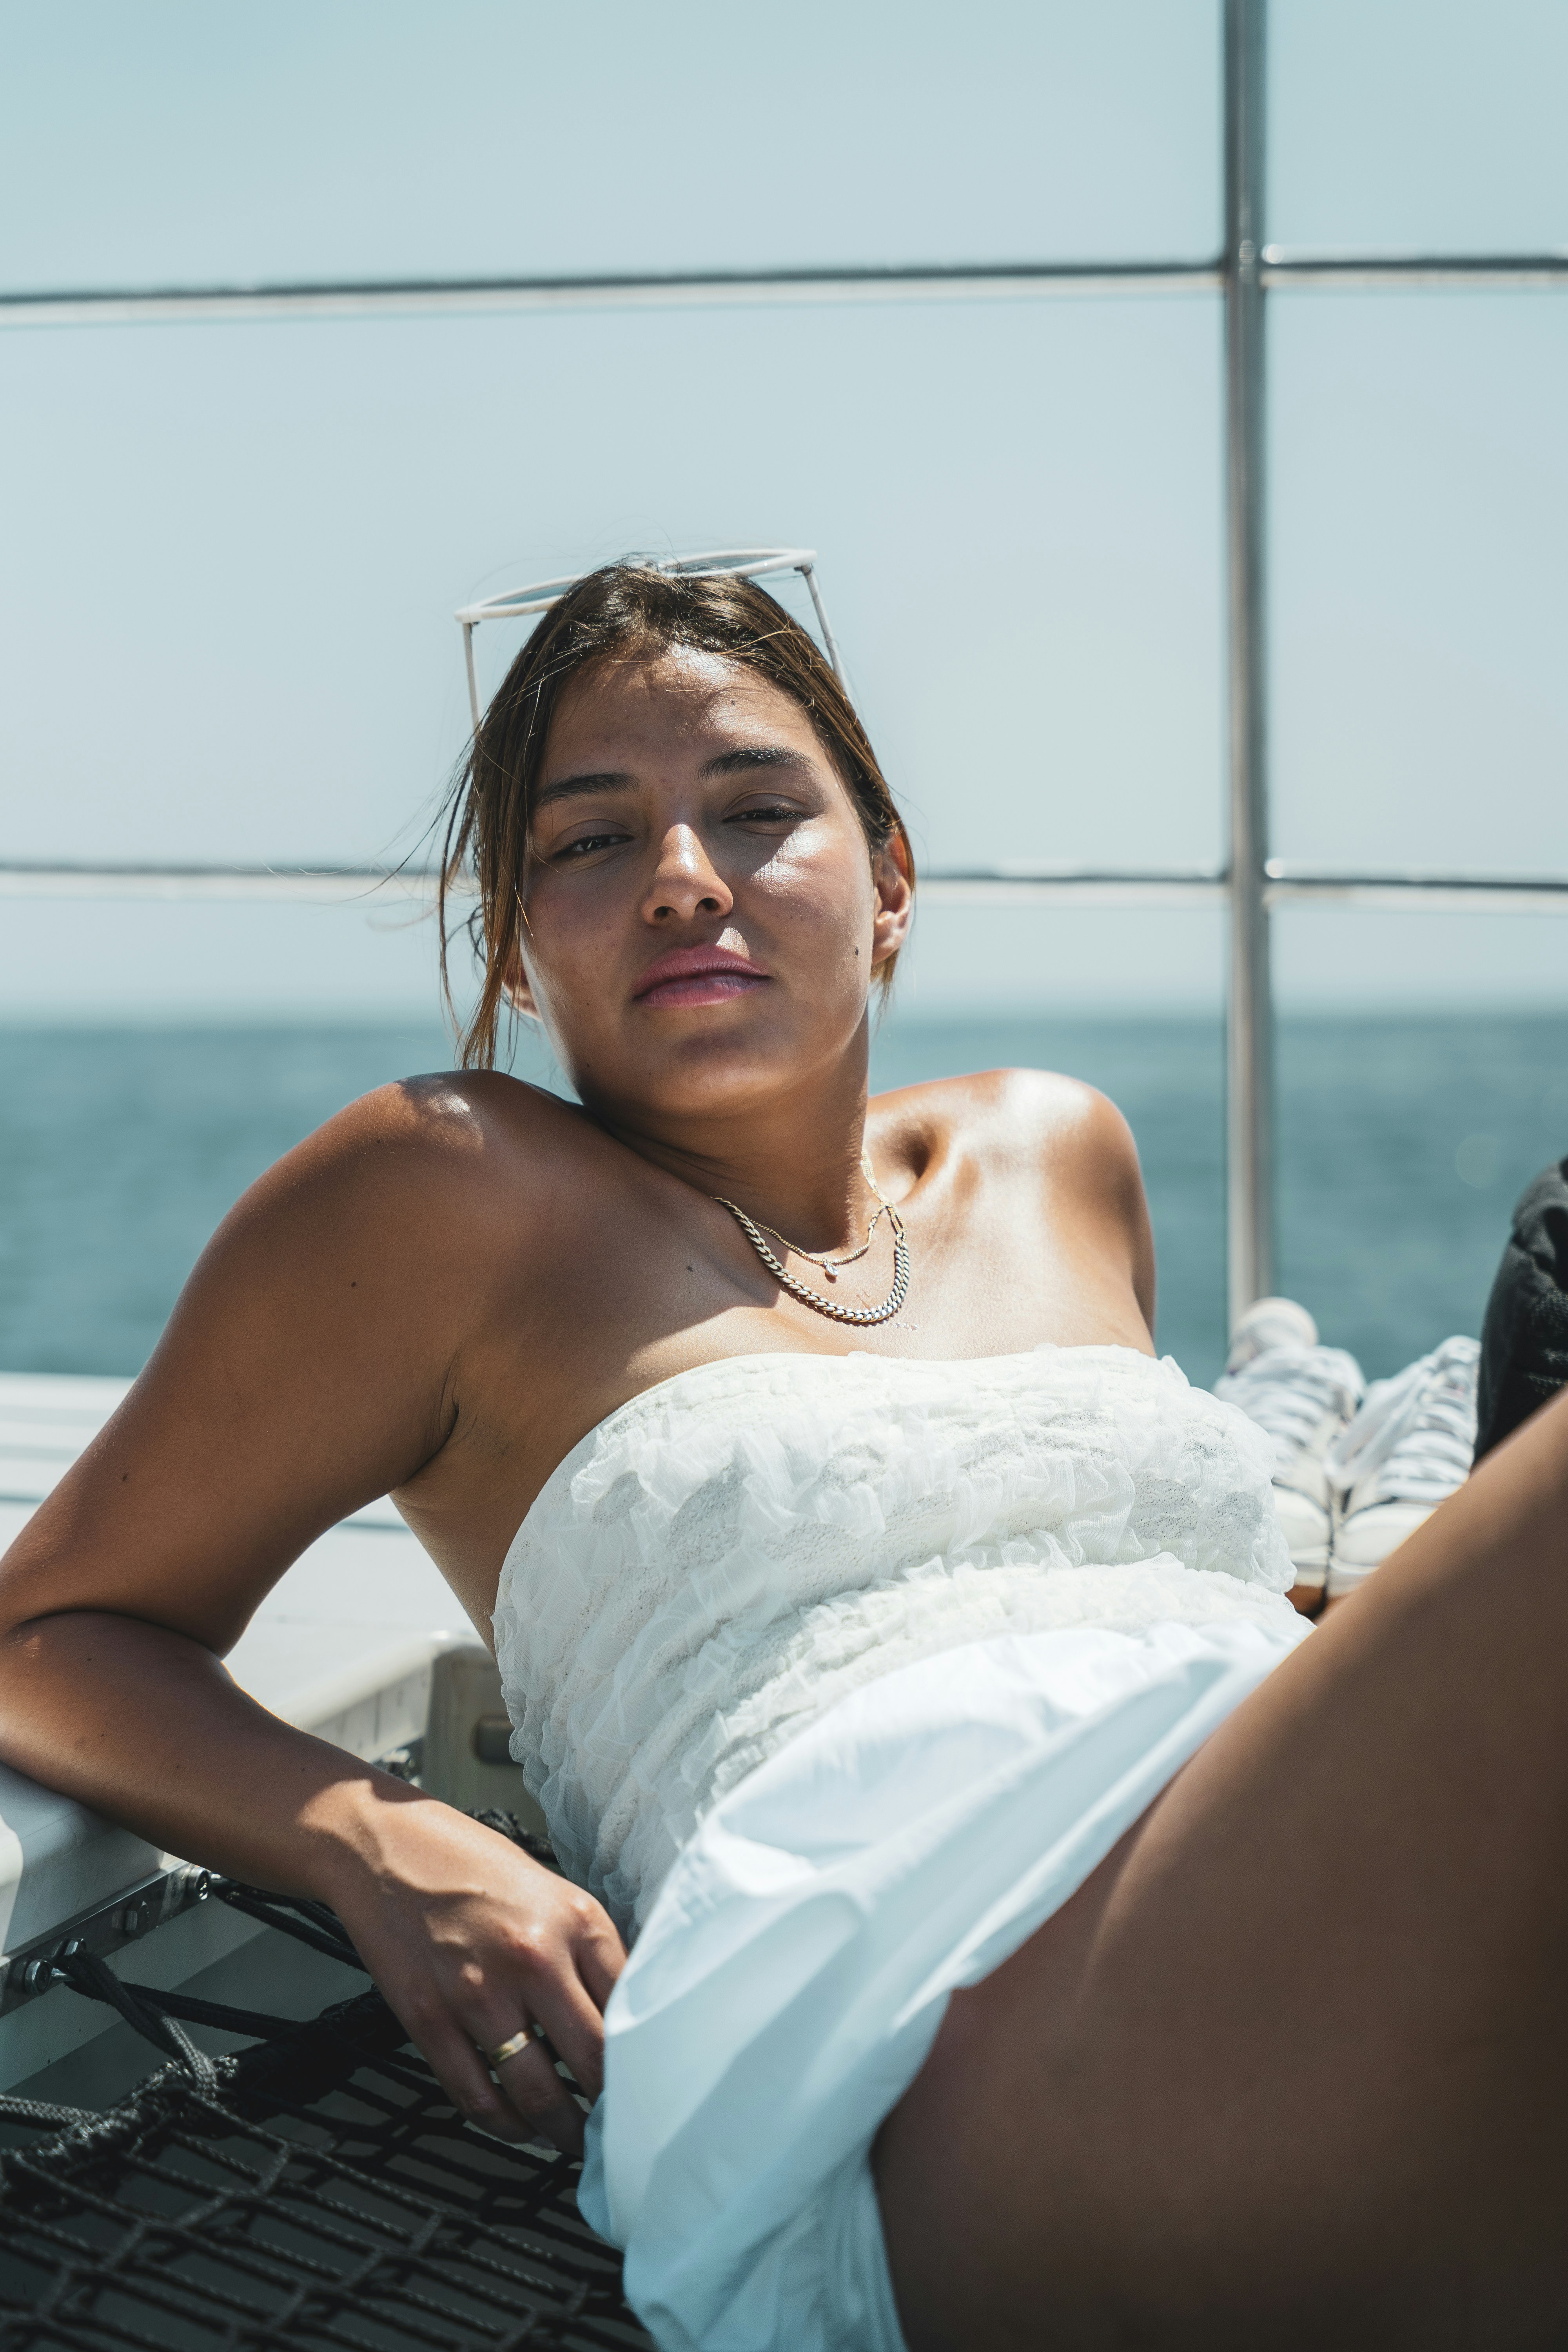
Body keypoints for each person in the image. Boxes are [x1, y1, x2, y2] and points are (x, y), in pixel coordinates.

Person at [2, 563, 1566, 2352]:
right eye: (593, 840)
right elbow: (43, 1632)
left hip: (1301, 1894)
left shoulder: (1058, 1153)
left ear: (889, 881)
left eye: (756, 811)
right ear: (512, 946)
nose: (683, 874)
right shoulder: (447, 1195)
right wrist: (372, 1836)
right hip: (942, 2035)